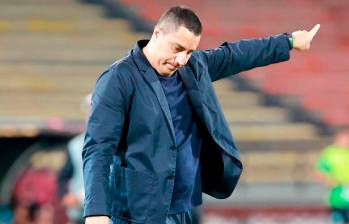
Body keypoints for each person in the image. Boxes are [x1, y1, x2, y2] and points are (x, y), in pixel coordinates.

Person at [82, 6, 320, 224]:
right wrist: (96, 212)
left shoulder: (193, 67)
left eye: (189, 51)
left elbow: (236, 55)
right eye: (177, 49)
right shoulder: (118, 78)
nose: (181, 59)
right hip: (136, 213)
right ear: (157, 34)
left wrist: (288, 41)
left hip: (183, 208)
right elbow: (98, 148)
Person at [58, 94, 92, 224]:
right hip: (78, 214)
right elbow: (63, 175)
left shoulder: (118, 143)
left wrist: (79, 197)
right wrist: (65, 196)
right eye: (89, 111)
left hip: (105, 214)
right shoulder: (74, 144)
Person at [316, 128, 349, 224]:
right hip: (337, 194)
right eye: (345, 138)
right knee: (338, 218)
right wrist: (331, 182)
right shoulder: (330, 153)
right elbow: (320, 172)